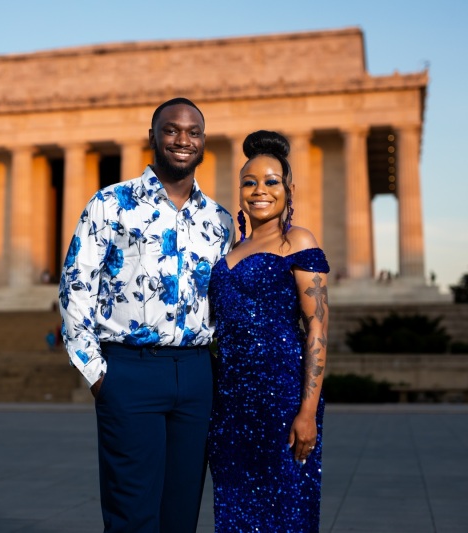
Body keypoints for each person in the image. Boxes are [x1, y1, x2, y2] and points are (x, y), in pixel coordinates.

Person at [59, 98, 234, 533]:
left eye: (193, 132)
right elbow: (75, 287)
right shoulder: (110, 203)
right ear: (152, 137)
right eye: (171, 130)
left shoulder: (220, 220)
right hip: (129, 373)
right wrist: (99, 375)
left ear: (204, 143)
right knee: (132, 514)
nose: (182, 139)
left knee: (181, 514)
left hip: (196, 376)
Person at [207, 130, 330, 532]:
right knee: (234, 510)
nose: (260, 190)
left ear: (288, 189)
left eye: (271, 181)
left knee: (285, 510)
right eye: (250, 182)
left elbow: (317, 328)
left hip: (282, 398)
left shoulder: (297, 241)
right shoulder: (228, 252)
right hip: (229, 403)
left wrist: (307, 411)